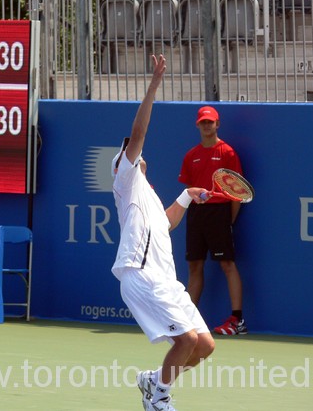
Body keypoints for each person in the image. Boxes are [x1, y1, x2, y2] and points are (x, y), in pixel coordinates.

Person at [111, 54, 215, 411]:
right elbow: (138, 133)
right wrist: (154, 85)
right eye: (130, 152)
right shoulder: (126, 180)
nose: (137, 152)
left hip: (166, 280)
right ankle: (159, 400)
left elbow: (167, 224)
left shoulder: (149, 197)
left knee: (204, 346)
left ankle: (153, 381)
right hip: (140, 276)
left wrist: (187, 195)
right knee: (184, 340)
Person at [178, 105, 248, 336]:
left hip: (220, 213)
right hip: (196, 214)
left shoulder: (227, 152)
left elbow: (237, 191)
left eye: (211, 122)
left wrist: (229, 220)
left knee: (227, 264)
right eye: (203, 122)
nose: (207, 125)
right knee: (194, 265)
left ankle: (237, 320)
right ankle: (187, 321)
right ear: (198, 125)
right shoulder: (191, 155)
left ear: (217, 124)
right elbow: (190, 190)